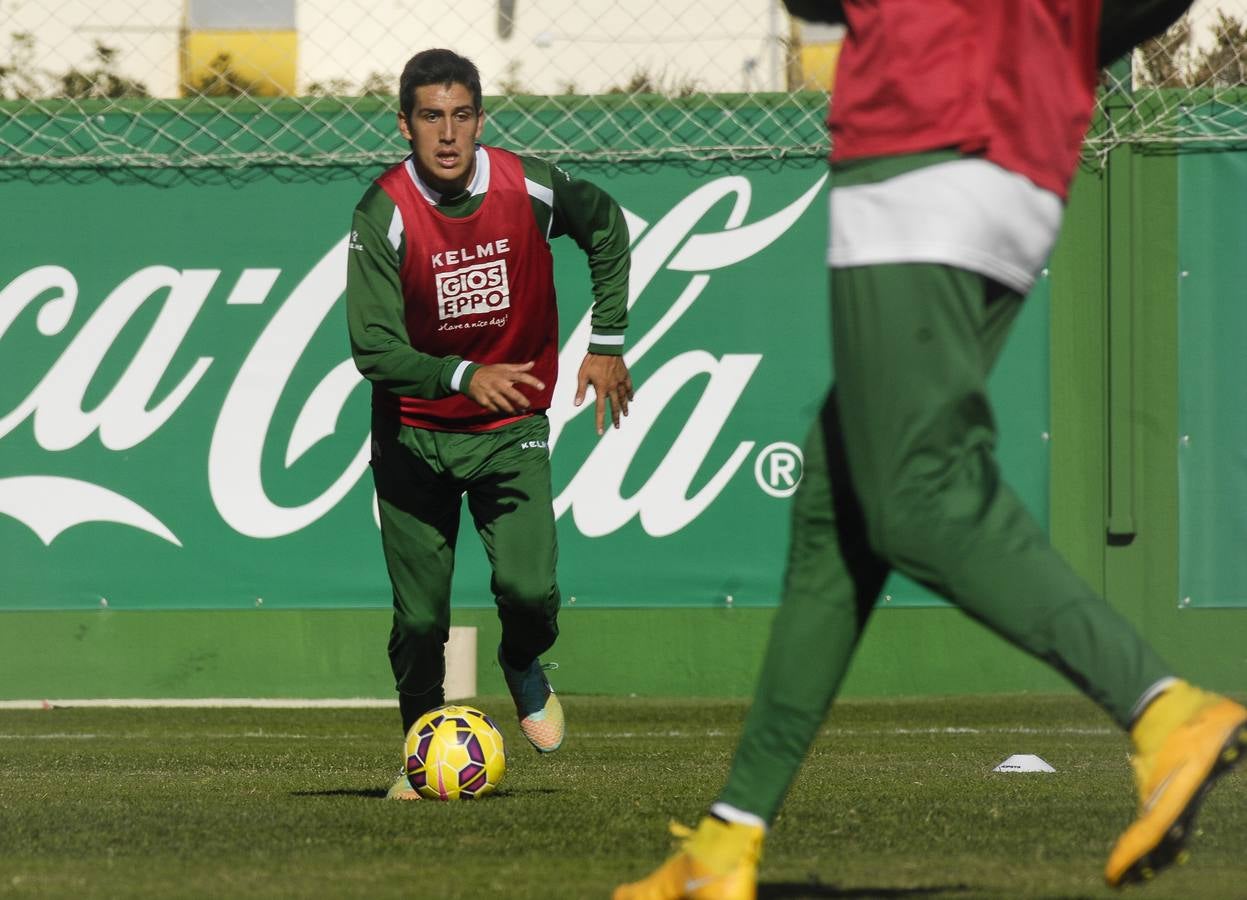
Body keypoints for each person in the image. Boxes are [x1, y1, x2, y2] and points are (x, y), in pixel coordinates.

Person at [614, 1, 1245, 895]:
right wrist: (1045, 41)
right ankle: (724, 846)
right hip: (1026, 144)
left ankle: (1164, 712)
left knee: (915, 493)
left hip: (921, 122)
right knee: (838, 502)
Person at [345, 48, 632, 797]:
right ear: (403, 124)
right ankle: (421, 746)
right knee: (419, 621)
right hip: (414, 434)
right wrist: (464, 376)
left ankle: (521, 661)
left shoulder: (527, 184)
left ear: (480, 118)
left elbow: (605, 228)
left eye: (462, 115)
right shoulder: (384, 213)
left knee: (529, 591)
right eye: (431, 117)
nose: (448, 134)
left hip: (510, 432)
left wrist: (606, 343)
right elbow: (371, 348)